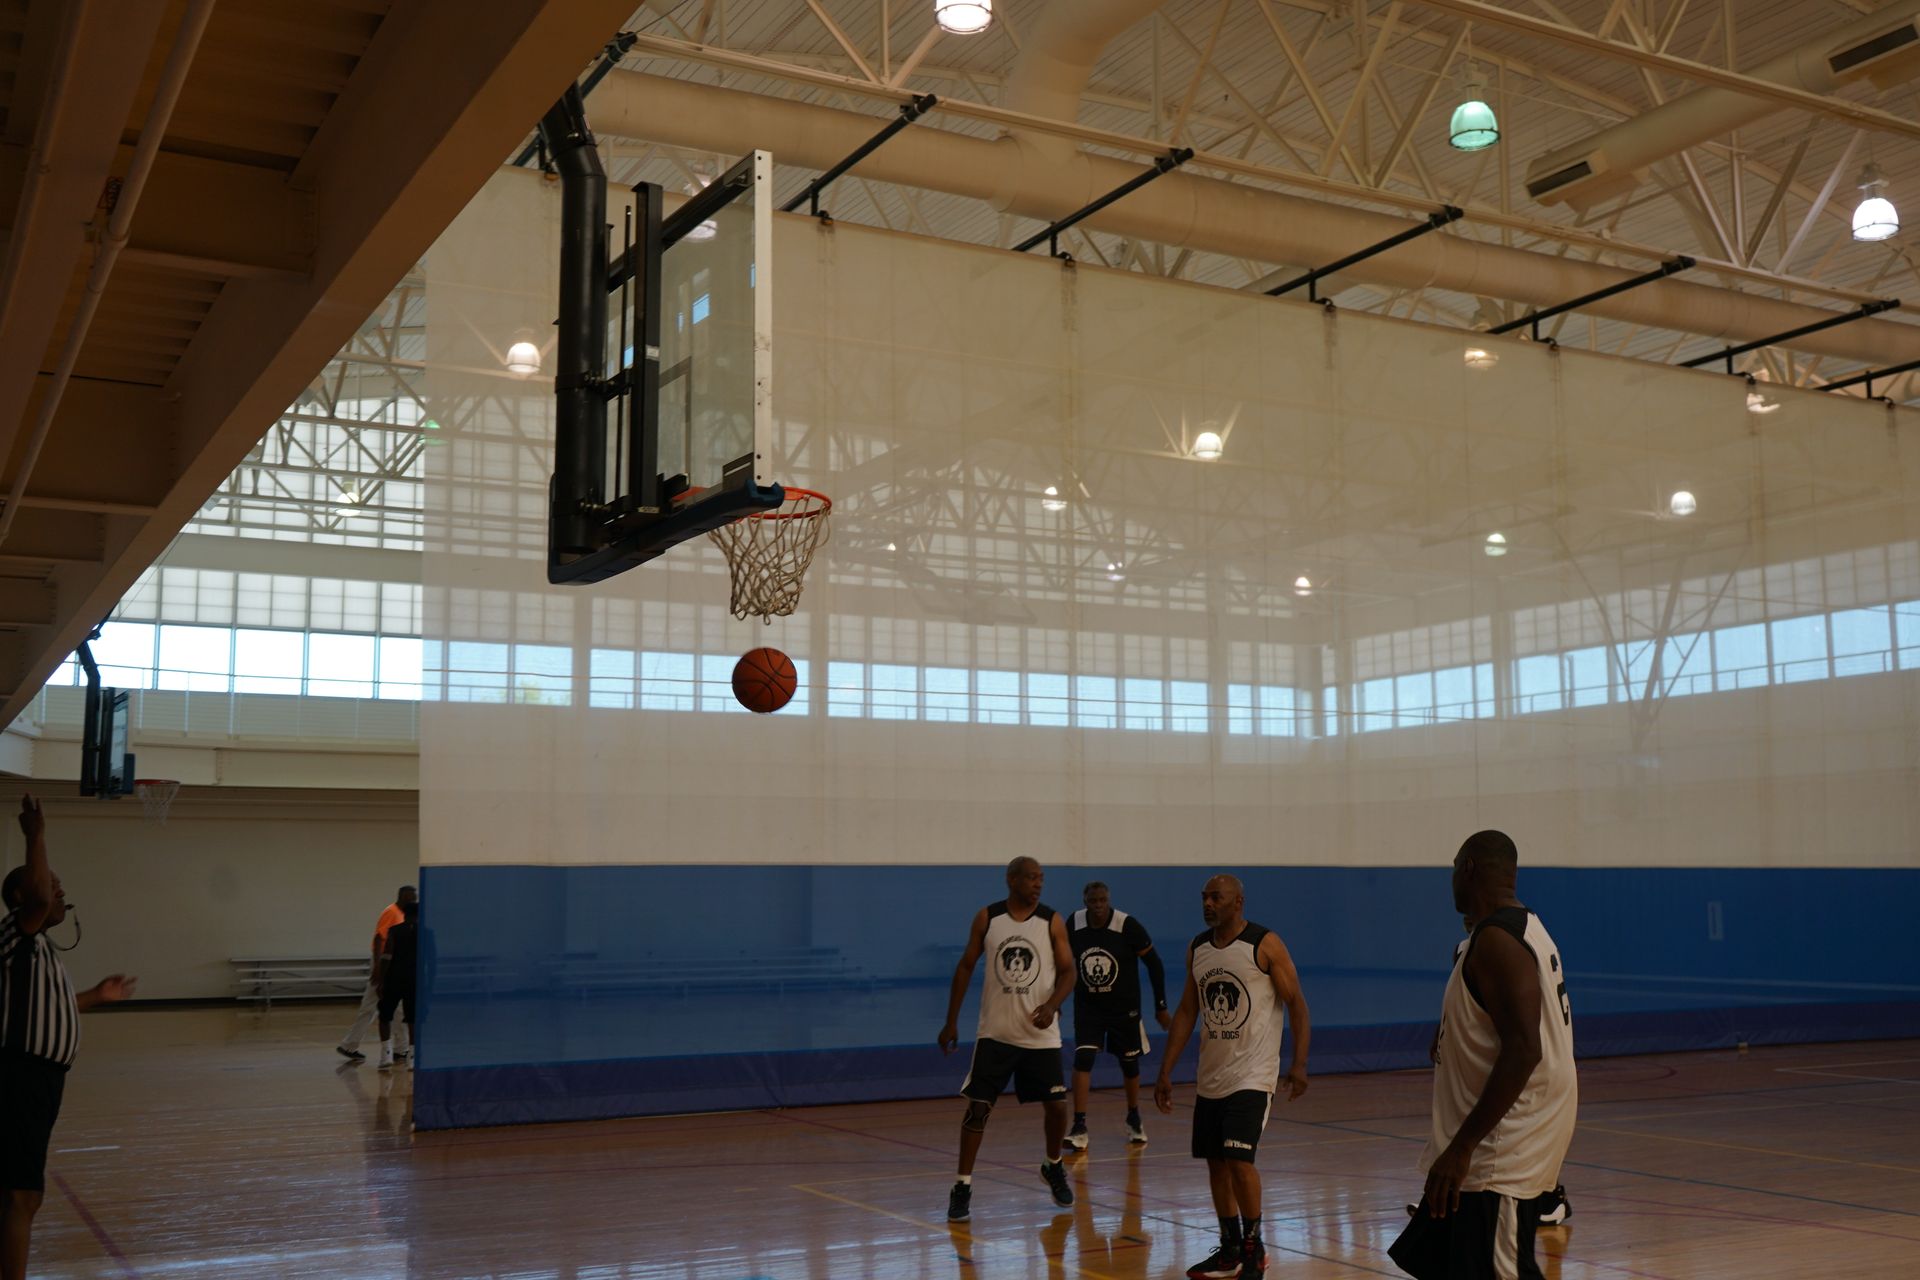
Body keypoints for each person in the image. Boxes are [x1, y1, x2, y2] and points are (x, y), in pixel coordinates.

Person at [1389, 830, 1578, 1280]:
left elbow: (1525, 1049)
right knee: (1437, 1259)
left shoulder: (1497, 940)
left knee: (1502, 1271)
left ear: (1468, 868)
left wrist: (1461, 1149)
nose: (1451, 879)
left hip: (1500, 1148)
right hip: (1490, 1145)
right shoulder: (1519, 930)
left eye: (1454, 868)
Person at [1, 795, 136, 1280]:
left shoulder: (34, 950)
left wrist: (95, 996)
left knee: (18, 1192)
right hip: (22, 1075)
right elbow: (37, 896)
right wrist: (35, 834)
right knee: (22, 1194)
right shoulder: (19, 932)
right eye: (52, 886)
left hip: (38, 1080)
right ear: (23, 898)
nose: (59, 894)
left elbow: (44, 1006)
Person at [1155, 874, 1310, 1280]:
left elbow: (1297, 1006)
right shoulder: (1198, 948)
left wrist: (1300, 1064)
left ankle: (1254, 1249)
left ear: (1237, 902)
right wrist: (1166, 1069)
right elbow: (1188, 1011)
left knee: (1239, 1158)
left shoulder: (1264, 944)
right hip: (1212, 1075)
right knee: (1216, 1163)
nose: (1208, 903)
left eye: (1216, 897)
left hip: (1254, 1074)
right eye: (1204, 897)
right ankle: (1228, 1250)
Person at [938, 856, 1077, 1223]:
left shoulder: (1052, 921)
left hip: (1040, 1035)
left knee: (1058, 1107)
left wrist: (1052, 1003)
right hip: (996, 1035)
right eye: (1031, 878)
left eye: (1041, 879)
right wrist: (951, 1021)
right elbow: (966, 965)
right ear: (1011, 880)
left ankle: (1053, 1164)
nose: (1038, 884)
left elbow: (1068, 972)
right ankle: (962, 1185)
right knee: (978, 1109)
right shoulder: (988, 918)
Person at [1063, 880, 1170, 1150]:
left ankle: (1134, 1116)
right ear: (1084, 901)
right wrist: (1054, 1000)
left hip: (1124, 1009)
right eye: (1093, 901)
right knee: (1083, 1058)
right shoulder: (1074, 924)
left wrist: (1161, 1006)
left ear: (1108, 900)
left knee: (1129, 1064)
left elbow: (1154, 964)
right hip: (1089, 1008)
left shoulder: (1127, 925)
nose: (1098, 906)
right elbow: (1062, 964)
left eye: (1103, 901)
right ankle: (1079, 1125)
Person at [338, 885, 415, 1063]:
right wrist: (378, 969)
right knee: (371, 1005)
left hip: (394, 965)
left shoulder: (403, 914)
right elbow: (379, 938)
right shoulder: (392, 912)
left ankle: (400, 1049)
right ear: (402, 897)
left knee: (397, 1008)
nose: (413, 900)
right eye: (410, 897)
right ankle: (349, 1045)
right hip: (383, 964)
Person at [374, 897, 419, 1071]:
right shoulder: (427, 932)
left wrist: (381, 980)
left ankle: (386, 1055)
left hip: (394, 978)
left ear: (404, 914)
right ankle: (412, 1057)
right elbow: (431, 961)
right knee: (412, 1019)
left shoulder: (394, 931)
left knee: (385, 1016)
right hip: (414, 979)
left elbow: (387, 957)